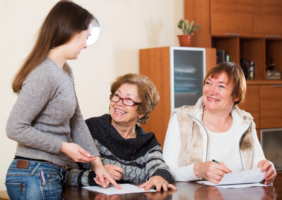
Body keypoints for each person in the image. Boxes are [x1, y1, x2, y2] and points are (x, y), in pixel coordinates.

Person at [5, 1, 120, 199]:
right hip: (34, 173)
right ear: (72, 32)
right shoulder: (43, 73)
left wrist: (97, 165)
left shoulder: (66, 71)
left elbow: (76, 121)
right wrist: (63, 146)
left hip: (50, 173)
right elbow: (15, 127)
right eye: (86, 37)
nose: (85, 44)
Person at [163, 62, 277, 184]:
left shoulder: (245, 122)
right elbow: (167, 172)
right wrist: (198, 170)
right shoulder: (181, 119)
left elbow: (257, 162)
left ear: (237, 95)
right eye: (208, 83)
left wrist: (266, 167)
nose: (211, 91)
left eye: (221, 86)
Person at [65, 74, 177, 191]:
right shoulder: (88, 129)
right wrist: (96, 174)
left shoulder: (148, 142)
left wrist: (159, 177)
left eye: (128, 99)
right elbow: (62, 174)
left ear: (142, 111)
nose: (119, 102)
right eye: (117, 96)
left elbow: (159, 166)